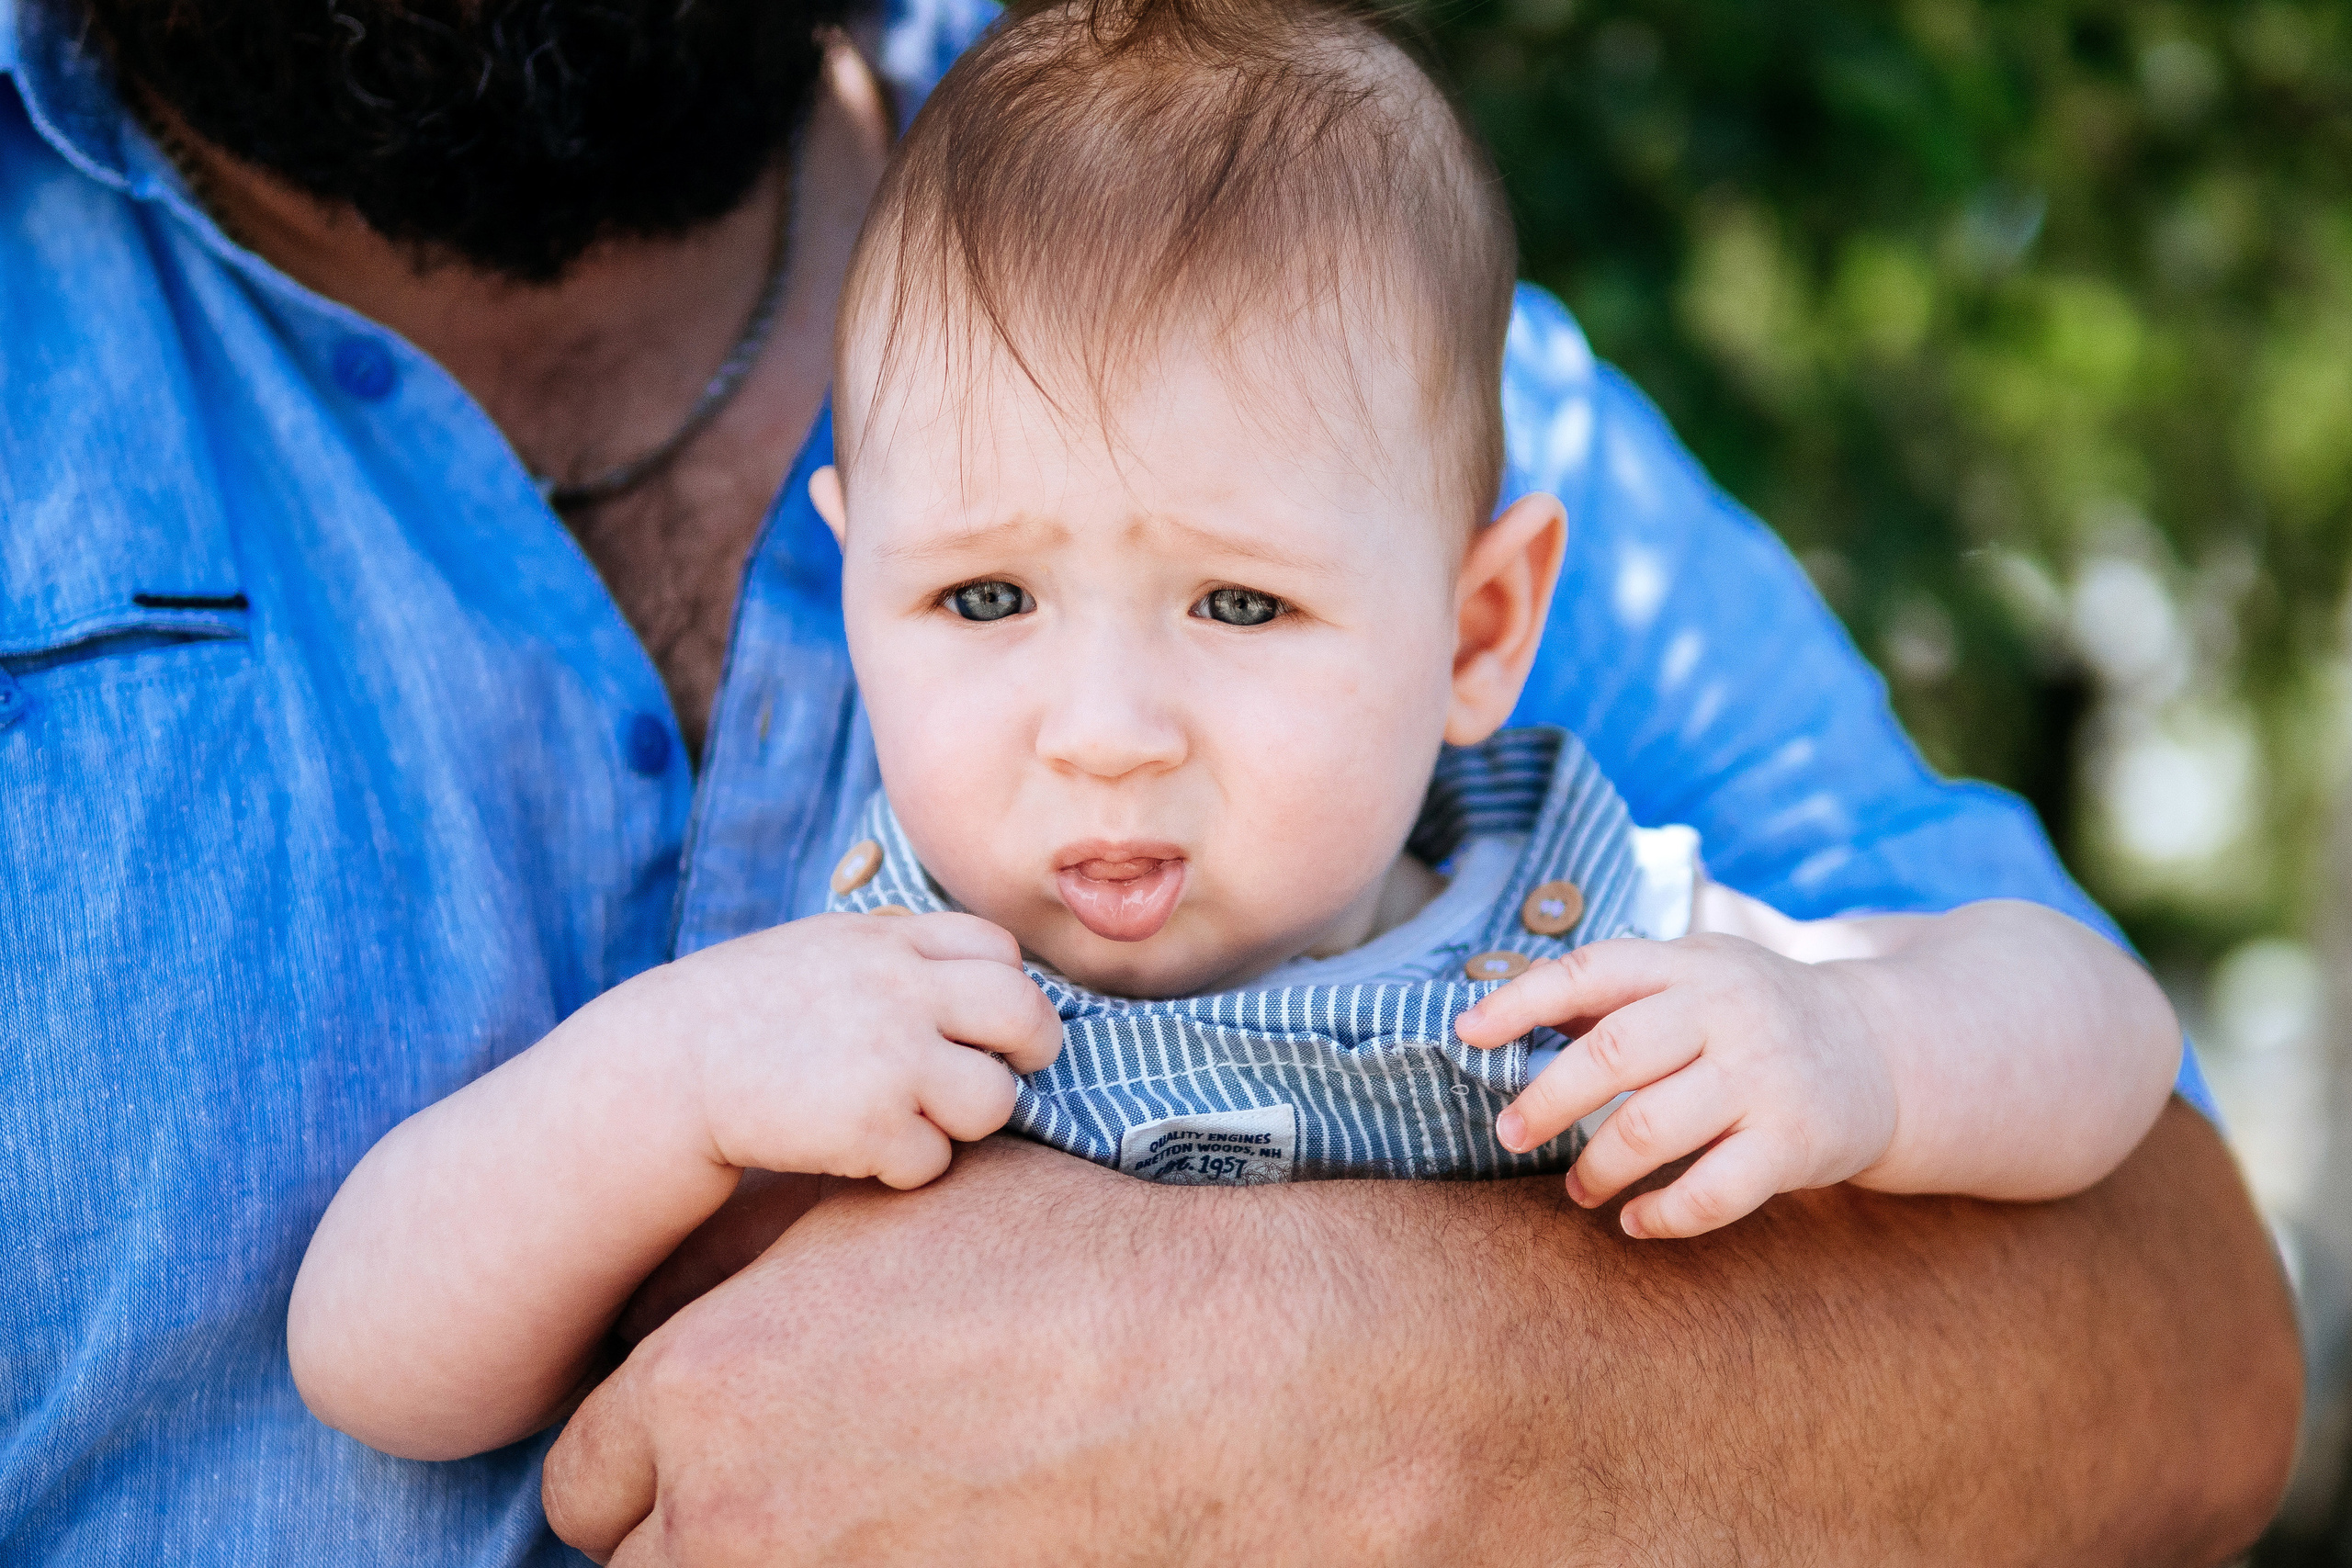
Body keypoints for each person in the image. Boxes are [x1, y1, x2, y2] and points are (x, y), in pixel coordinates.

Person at [0, 0, 2297, 1558]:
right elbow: (375, 1351)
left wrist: (1861, 1042)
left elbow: (2106, 1078)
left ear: (1478, 629)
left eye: (1239, 609)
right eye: (981, 603)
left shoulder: (1558, 924)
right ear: (861, 563)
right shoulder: (851, 946)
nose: (1103, 725)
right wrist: (661, 1082)